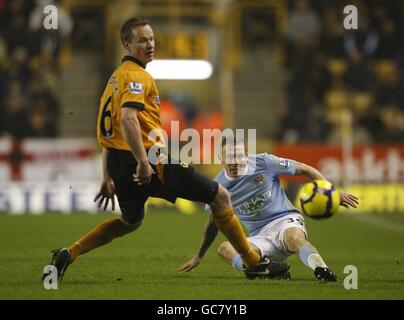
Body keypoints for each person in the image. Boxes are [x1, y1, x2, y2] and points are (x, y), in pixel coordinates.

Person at [42, 18, 290, 282]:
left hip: (118, 163)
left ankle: (70, 253)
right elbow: (127, 119)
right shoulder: (137, 77)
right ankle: (255, 263)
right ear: (126, 44)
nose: (149, 44)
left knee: (130, 222)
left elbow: (109, 134)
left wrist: (107, 176)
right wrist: (141, 161)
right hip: (149, 160)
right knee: (220, 196)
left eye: (151, 39)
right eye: (141, 40)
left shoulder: (115, 79)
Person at [178, 138, 358, 281]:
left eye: (239, 156)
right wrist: (199, 256)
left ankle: (321, 269)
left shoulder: (264, 162)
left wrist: (329, 191)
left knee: (293, 238)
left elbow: (306, 169)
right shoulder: (217, 187)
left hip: (285, 220)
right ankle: (262, 269)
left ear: (246, 155)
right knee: (224, 249)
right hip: (260, 236)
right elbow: (213, 224)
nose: (235, 162)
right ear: (221, 159)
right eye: (230, 157)